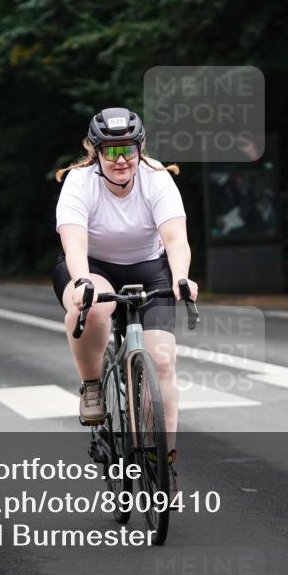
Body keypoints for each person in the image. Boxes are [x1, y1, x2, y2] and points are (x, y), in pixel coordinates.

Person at [53, 107, 197, 477]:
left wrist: (181, 277)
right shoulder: (79, 182)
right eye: (112, 151)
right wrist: (82, 281)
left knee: (162, 362)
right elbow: (74, 244)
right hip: (93, 267)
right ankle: (92, 385)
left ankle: (164, 463)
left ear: (139, 150)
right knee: (92, 308)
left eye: (128, 150)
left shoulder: (156, 178)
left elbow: (175, 239)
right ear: (96, 153)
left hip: (149, 268)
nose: (121, 160)